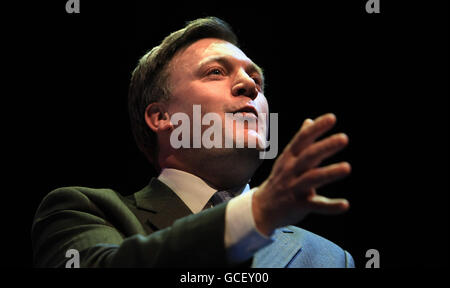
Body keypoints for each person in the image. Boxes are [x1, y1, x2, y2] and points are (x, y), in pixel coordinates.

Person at [32, 17, 354, 268]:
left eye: (257, 80)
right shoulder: (83, 212)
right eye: (215, 72)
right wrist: (252, 215)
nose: (250, 86)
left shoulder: (331, 258)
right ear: (160, 117)